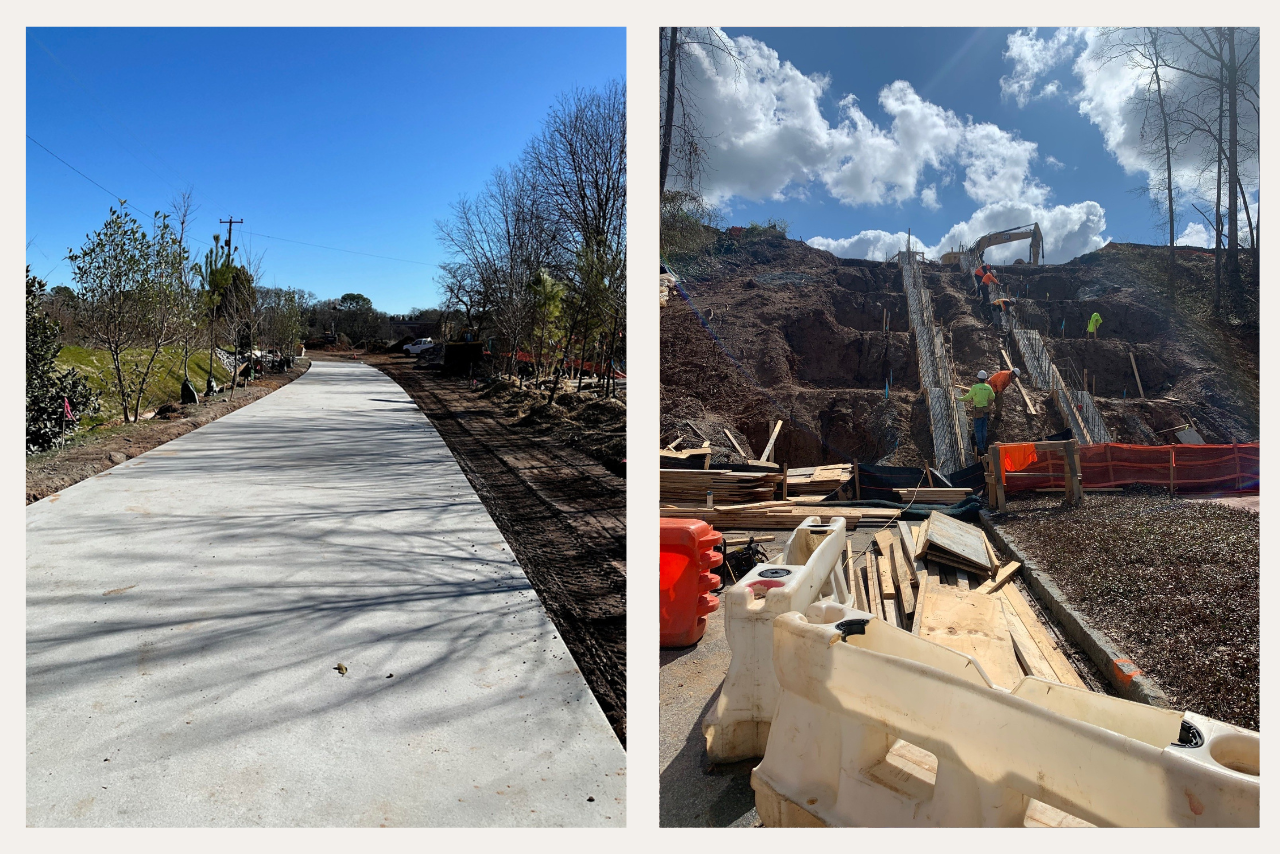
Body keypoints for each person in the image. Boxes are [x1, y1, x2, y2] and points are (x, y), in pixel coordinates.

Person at [958, 370, 996, 455]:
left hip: (978, 411)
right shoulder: (988, 387)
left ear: (978, 378)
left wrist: (958, 398)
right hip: (985, 411)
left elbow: (967, 398)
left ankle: (980, 448)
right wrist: (988, 405)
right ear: (985, 379)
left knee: (978, 430)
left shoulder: (975, 387)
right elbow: (993, 397)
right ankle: (983, 445)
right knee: (983, 429)